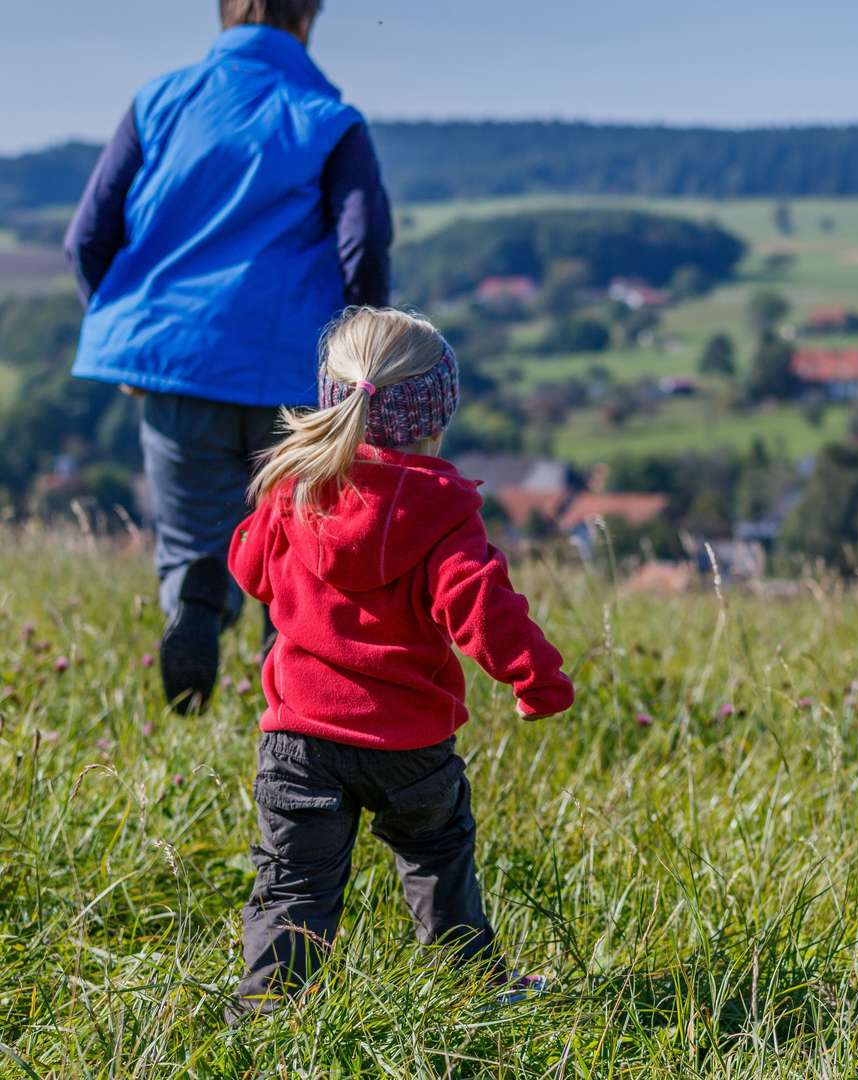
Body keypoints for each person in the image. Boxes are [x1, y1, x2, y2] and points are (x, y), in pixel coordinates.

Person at [227, 306, 575, 1015]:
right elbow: (481, 607)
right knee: (438, 861)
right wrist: (536, 680)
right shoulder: (440, 508)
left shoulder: (295, 489)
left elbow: (249, 571)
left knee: (295, 888)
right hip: (409, 743)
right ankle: (472, 991)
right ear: (435, 415)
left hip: (298, 740)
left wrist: (279, 507)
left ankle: (265, 1020)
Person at [64, 0, 392, 712]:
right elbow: (363, 249)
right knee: (303, 552)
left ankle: (194, 607)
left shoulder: (157, 102)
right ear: (308, 17)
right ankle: (294, 703)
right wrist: (364, 370)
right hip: (299, 382)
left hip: (177, 366)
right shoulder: (329, 120)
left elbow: (88, 236)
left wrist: (138, 330)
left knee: (190, 543)